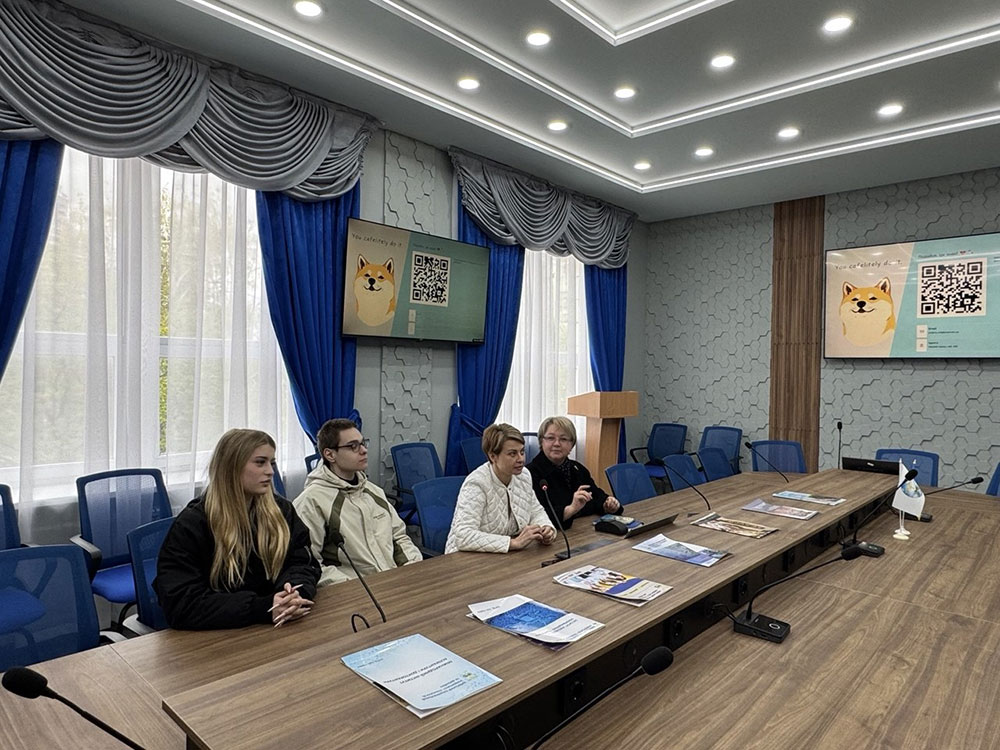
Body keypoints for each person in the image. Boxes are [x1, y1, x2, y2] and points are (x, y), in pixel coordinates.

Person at [154, 429, 320, 630]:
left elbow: (302, 563)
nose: (270, 471)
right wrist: (262, 607)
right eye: (260, 462)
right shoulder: (193, 524)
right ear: (232, 466)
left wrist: (294, 593)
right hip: (219, 636)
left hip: (278, 624)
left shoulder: (281, 511)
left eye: (272, 463)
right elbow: (182, 603)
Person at [293, 418, 422, 586]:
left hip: (393, 583)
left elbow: (399, 537)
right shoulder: (311, 501)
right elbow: (309, 563)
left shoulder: (374, 492)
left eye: (363, 443)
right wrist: (353, 587)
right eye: (353, 446)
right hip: (352, 591)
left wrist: (412, 569)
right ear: (330, 454)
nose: (363, 450)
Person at [445, 423, 557, 553]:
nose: (521, 459)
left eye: (522, 452)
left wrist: (546, 528)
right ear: (493, 456)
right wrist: (513, 543)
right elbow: (463, 536)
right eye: (512, 454)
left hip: (503, 555)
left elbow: (535, 511)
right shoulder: (477, 483)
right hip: (463, 558)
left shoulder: (524, 475)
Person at [526, 416, 622, 529]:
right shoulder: (528, 474)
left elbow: (596, 496)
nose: (557, 444)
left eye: (563, 439)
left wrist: (608, 504)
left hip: (584, 530)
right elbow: (534, 517)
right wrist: (571, 509)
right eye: (551, 438)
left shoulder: (577, 469)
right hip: (552, 536)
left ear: (572, 444)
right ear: (541, 442)